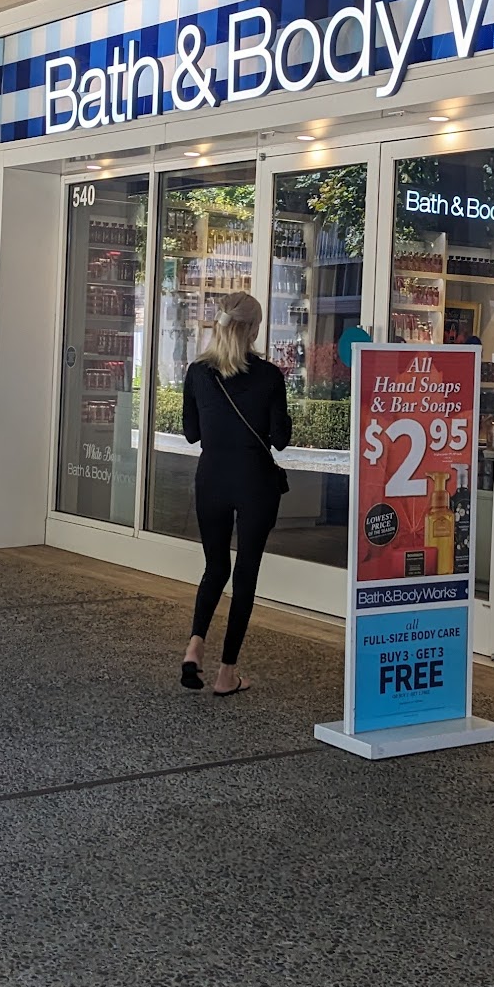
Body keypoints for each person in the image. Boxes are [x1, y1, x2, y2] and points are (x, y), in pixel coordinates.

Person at [180, 291, 290, 696]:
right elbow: (280, 439)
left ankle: (195, 645)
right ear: (254, 330)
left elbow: (192, 433)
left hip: (211, 479)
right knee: (245, 573)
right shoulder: (270, 376)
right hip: (254, 482)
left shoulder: (198, 373)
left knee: (215, 567)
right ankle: (227, 673)